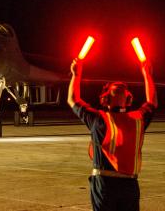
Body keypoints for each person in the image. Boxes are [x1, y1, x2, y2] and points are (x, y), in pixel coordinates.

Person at [68, 58, 158, 211]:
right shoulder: (99, 118)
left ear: (128, 97)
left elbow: (152, 103)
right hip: (105, 183)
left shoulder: (137, 119)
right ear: (106, 97)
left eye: (123, 86)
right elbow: (73, 99)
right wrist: (76, 75)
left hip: (129, 184)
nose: (119, 84)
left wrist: (147, 75)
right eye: (113, 85)